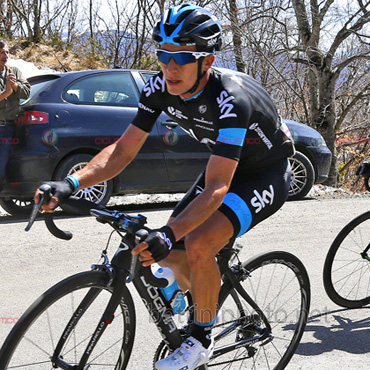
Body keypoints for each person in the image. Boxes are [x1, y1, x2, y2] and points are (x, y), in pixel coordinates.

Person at [35, 4, 294, 370]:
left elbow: (218, 187)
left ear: (207, 61)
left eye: (182, 58)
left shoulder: (231, 101)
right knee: (163, 241)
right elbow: (123, 150)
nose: (170, 67)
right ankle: (192, 281)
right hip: (223, 165)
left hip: (264, 172)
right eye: (163, 55)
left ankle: (201, 339)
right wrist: (70, 183)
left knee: (198, 241)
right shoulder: (159, 87)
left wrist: (172, 234)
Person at [0, 39, 31, 192]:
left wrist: (15, 86)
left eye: (6, 52)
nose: (5, 55)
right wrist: (6, 93)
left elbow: (26, 92)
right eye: (1, 52)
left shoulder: (14, 71)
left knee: (7, 165)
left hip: (12, 128)